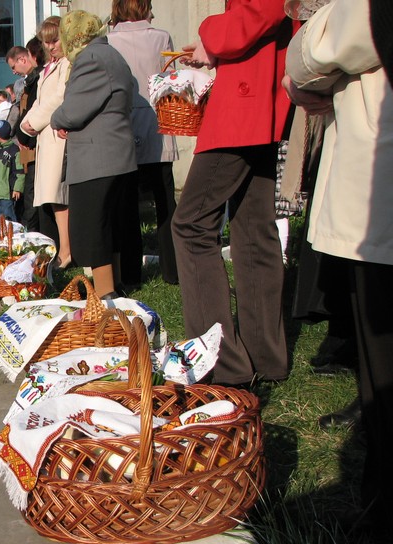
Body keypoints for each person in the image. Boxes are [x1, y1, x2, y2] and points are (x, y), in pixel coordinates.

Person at [284, 0, 393, 541]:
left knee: (383, 354)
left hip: (381, 174)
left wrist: (303, 55)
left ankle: (384, 505)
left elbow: (337, 37)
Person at [170, 0, 293, 387]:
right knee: (253, 227)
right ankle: (264, 357)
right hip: (259, 91)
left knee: (191, 226)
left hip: (245, 97)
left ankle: (221, 363)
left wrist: (212, 35)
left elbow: (264, 10)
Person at [50, 10, 137, 299]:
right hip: (116, 153)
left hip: (96, 157)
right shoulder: (111, 54)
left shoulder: (89, 58)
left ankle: (105, 293)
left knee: (93, 227)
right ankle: (115, 285)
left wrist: (56, 119)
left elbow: (73, 110)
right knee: (111, 226)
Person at [107, 0, 180, 286]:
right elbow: (171, 80)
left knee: (127, 205)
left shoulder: (108, 41)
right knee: (165, 202)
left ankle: (130, 274)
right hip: (157, 122)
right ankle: (173, 270)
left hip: (122, 125)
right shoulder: (161, 37)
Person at [21, 16, 73, 267]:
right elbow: (40, 101)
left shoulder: (68, 64)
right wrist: (26, 124)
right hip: (46, 136)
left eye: (55, 41)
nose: (50, 47)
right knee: (53, 198)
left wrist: (35, 121)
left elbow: (59, 97)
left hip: (56, 135)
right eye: (46, 42)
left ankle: (67, 250)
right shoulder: (50, 67)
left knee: (59, 196)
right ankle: (62, 249)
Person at [8, 43, 42, 231]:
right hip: (28, 147)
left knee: (33, 196)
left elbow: (31, 112)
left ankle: (34, 235)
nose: (13, 72)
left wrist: (24, 137)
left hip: (34, 145)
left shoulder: (37, 79)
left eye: (13, 67)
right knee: (31, 195)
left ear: (23, 59)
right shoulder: (29, 82)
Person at [0, 120, 24, 222]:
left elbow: (19, 171)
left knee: (9, 220)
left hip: (7, 195)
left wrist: (17, 188)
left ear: (0, 135)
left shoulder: (14, 150)